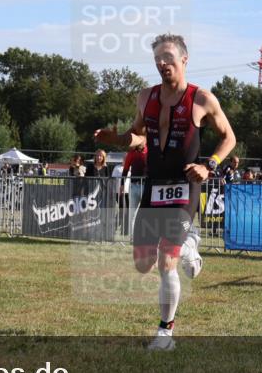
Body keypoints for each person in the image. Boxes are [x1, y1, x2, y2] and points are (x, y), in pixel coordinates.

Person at [93, 33, 236, 351]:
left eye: (168, 57)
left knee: (165, 263)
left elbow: (228, 137)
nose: (162, 63)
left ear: (184, 60)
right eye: (157, 58)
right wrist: (115, 139)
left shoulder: (202, 99)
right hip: (154, 187)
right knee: (142, 264)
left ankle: (165, 335)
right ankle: (190, 243)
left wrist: (209, 165)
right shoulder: (146, 97)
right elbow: (138, 138)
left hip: (185, 186)